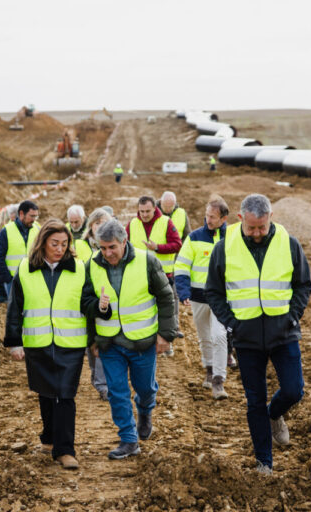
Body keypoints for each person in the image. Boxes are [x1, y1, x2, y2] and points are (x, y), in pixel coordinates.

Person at [205, 194, 311, 475]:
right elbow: (213, 291)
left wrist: (292, 316)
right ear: (241, 218)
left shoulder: (288, 244)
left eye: (261, 227)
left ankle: (275, 414)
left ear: (270, 217)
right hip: (246, 337)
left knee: (293, 389)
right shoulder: (224, 248)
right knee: (254, 401)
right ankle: (264, 462)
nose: (256, 233)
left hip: (283, 333)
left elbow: (304, 284)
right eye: (251, 227)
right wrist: (231, 323)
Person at [83, 220, 177, 459]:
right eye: (103, 248)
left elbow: (166, 298)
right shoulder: (91, 266)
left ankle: (144, 411)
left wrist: (166, 335)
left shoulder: (147, 261)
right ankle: (128, 438)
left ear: (124, 242)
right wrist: (92, 339)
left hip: (142, 341)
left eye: (112, 247)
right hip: (109, 343)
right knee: (116, 391)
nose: (107, 253)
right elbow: (85, 304)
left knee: (145, 388)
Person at [4, 219, 91, 470]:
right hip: (37, 342)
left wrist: (95, 336)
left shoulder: (79, 268)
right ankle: (49, 435)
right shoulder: (25, 268)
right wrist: (14, 342)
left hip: (70, 342)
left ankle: (65, 450)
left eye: (64, 244)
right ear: (42, 243)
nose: (60, 248)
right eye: (55, 243)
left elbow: (87, 303)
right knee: (45, 392)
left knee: (65, 394)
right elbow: (14, 307)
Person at [175, 195, 231, 400]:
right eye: (207, 216)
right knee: (205, 337)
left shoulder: (232, 238)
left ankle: (218, 380)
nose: (208, 220)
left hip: (222, 298)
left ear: (224, 218)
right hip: (198, 297)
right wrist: (183, 292)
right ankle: (209, 369)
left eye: (213, 217)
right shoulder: (195, 237)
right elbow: (181, 265)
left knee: (219, 335)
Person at [126, 196, 183, 351]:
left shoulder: (165, 222)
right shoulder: (132, 224)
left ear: (154, 209)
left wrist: (157, 247)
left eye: (147, 211)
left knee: (164, 310)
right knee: (145, 310)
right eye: (141, 211)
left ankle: (167, 342)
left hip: (164, 275)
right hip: (139, 276)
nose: (144, 214)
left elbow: (177, 244)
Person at [81, 207, 114, 400]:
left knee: (106, 342)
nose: (101, 227)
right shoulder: (80, 244)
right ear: (91, 226)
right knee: (92, 341)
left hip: (108, 301)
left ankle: (103, 385)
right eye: (97, 223)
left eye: (105, 223)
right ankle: (97, 377)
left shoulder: (116, 245)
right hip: (87, 299)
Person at [0, 200, 40, 304]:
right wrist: (8, 279)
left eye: (36, 217)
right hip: (14, 282)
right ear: (21, 214)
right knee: (15, 314)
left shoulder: (37, 229)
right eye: (32, 216)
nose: (34, 219)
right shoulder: (6, 231)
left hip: (33, 279)